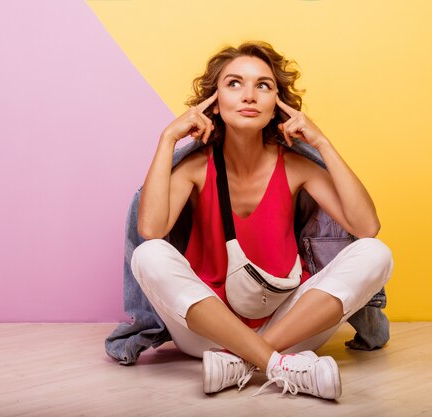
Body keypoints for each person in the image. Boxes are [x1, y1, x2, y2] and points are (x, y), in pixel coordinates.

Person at [133, 41, 394, 400]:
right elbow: (151, 230)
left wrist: (323, 144)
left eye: (264, 86)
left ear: (277, 106)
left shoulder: (296, 167)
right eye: (234, 84)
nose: (249, 96)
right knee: (147, 255)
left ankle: (242, 362)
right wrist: (167, 139)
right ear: (214, 102)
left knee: (376, 252)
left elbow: (366, 227)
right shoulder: (195, 169)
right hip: (208, 330)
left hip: (289, 324)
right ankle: (275, 363)